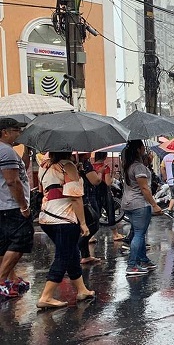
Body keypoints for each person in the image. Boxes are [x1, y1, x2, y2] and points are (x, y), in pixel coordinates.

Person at [35, 152, 94, 309]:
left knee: (71, 252)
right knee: (63, 255)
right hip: (64, 217)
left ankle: (82, 289)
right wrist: (83, 223)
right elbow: (75, 197)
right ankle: (46, 296)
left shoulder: (44, 166)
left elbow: (43, 190)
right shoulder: (68, 166)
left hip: (47, 217)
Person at [0, 118, 32, 299]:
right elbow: (13, 180)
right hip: (12, 206)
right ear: (5, 132)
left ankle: (9, 278)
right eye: (16, 130)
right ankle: (2, 279)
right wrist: (23, 206)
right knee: (20, 242)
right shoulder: (6, 152)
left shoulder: (8, 152)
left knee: (4, 245)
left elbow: (22, 168)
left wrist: (27, 151)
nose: (19, 133)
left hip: (3, 205)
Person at [121, 140, 163, 276]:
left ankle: (143, 259)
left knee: (138, 232)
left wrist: (147, 162)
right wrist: (154, 205)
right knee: (139, 234)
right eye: (143, 147)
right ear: (139, 149)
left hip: (128, 203)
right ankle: (132, 265)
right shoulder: (138, 167)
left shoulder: (128, 165)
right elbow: (144, 188)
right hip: (139, 204)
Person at [76, 153, 101, 264]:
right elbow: (95, 180)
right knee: (93, 224)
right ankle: (78, 246)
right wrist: (99, 173)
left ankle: (85, 255)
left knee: (84, 226)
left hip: (82, 197)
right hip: (86, 198)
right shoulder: (85, 164)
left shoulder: (80, 164)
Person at [159, 151, 174, 216]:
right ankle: (170, 209)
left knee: (173, 195)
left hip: (169, 180)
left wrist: (165, 177)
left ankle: (171, 209)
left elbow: (162, 168)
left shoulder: (166, 157)